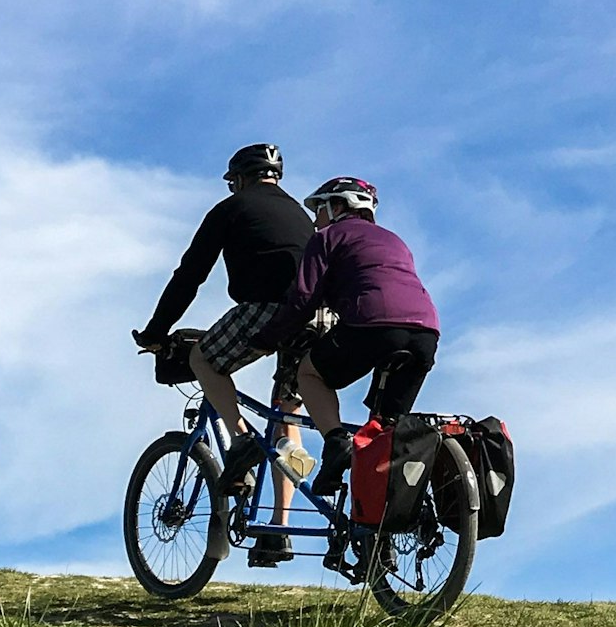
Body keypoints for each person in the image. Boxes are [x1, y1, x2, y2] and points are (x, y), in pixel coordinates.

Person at [133, 143, 314, 567]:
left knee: (204, 360)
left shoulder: (230, 209)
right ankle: (279, 528)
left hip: (267, 311)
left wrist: (156, 331)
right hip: (317, 318)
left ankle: (241, 439)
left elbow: (190, 275)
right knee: (286, 416)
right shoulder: (300, 214)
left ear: (240, 179)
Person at [255, 176, 440, 495]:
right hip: (425, 332)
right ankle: (381, 517)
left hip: (373, 324)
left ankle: (335, 442)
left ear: (337, 207)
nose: (315, 220)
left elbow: (303, 299)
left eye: (319, 210)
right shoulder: (394, 240)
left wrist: (267, 338)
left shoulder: (327, 237)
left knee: (309, 373)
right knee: (385, 432)